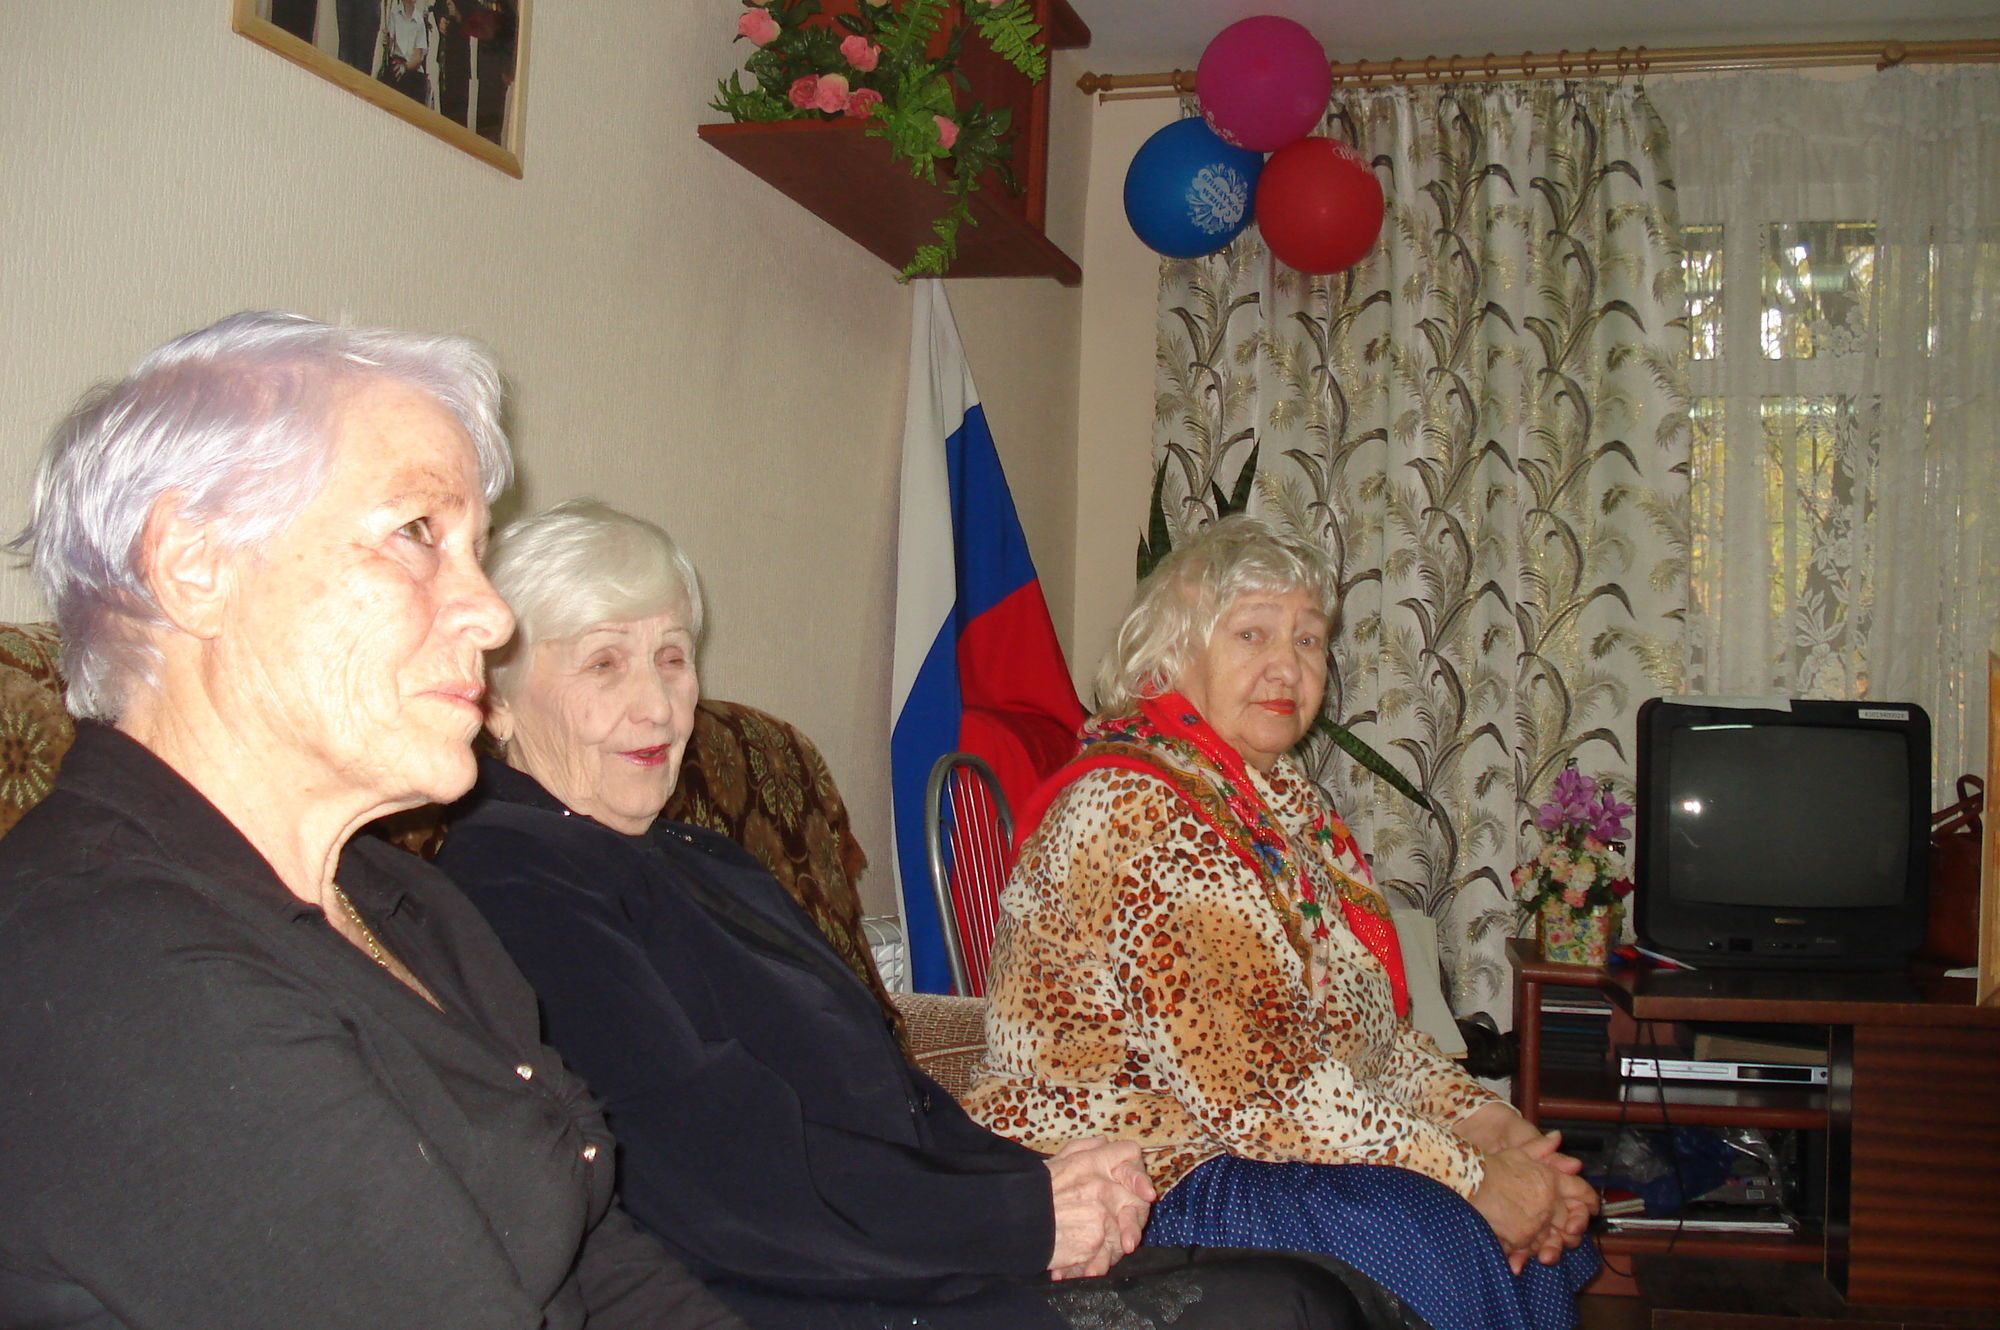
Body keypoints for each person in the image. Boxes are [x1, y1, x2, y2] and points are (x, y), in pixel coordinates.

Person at [432, 499, 1369, 1330]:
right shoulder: (517, 877)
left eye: (672, 657)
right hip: (792, 1287)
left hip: (906, 1242)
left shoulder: (700, 857)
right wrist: (1022, 1217)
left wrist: (1040, 1179)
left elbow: (890, 1093)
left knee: (1324, 1287)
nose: (657, 706)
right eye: (604, 662)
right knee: (1294, 1308)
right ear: (496, 698)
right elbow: (701, 1167)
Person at [0, 312, 745, 1329]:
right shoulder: (100, 965)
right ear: (194, 565)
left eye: (476, 552)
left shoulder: (405, 904)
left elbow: (602, 1266)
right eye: (417, 533)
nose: (491, 615)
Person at [960, 515, 1602, 1330]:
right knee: (1446, 1235)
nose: (1287, 667)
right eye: (1252, 634)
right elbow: (1264, 1092)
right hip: (1140, 1167)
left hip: (1245, 1139)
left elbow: (1366, 1034)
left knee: (1533, 1230)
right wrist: (1474, 1179)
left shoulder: (1282, 804)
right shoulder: (1141, 809)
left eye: (1307, 640)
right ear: (1170, 656)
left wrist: (1489, 1125)